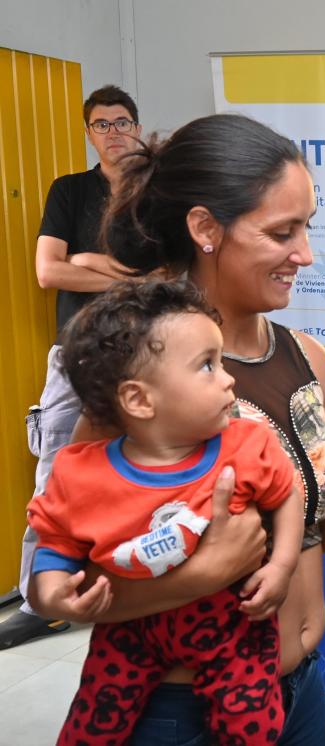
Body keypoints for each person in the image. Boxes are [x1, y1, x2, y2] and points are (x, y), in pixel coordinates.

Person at [30, 113, 325, 745]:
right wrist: (198, 578)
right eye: (282, 231)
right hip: (183, 713)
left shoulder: (306, 359)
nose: (305, 254)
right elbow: (46, 582)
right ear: (205, 228)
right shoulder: (140, 379)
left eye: (307, 227)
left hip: (302, 690)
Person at [28, 280, 303, 744]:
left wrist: (282, 564)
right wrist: (56, 593)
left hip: (231, 624)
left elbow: (287, 493)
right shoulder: (83, 472)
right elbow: (56, 542)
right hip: (128, 631)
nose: (228, 378)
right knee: (90, 726)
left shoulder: (245, 445)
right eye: (207, 366)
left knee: (252, 725)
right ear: (139, 399)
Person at [0, 85, 142, 650]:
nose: (113, 132)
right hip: (76, 354)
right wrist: (124, 273)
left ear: (137, 127)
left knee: (147, 467)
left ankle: (131, 584)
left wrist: (89, 261)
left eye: (122, 122)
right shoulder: (70, 191)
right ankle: (42, 599)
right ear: (89, 133)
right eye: (101, 124)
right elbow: (48, 272)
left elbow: (170, 277)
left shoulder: (154, 195)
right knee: (57, 471)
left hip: (143, 353)